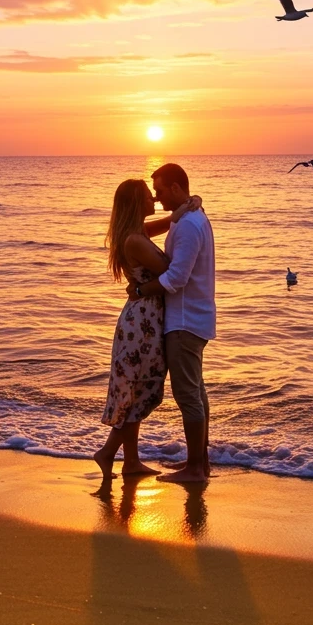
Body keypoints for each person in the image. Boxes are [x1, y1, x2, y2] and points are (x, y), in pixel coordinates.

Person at [94, 179, 201, 480]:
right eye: (147, 196)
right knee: (142, 388)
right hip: (143, 322)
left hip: (143, 317)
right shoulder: (135, 240)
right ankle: (107, 452)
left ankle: (131, 462)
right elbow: (170, 271)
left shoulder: (136, 232)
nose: (153, 199)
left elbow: (170, 221)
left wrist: (192, 202)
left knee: (137, 389)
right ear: (135, 203)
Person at [127, 163, 215, 485]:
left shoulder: (189, 224)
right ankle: (200, 462)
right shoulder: (190, 218)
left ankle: (195, 468)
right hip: (191, 317)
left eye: (161, 190)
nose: (157, 197)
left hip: (184, 320)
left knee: (188, 395)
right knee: (196, 392)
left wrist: (140, 291)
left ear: (176, 188)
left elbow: (176, 278)